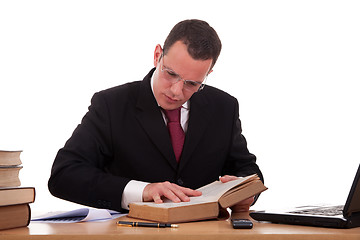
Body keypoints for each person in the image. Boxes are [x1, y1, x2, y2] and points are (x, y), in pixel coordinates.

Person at [48, 19, 263, 213]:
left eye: (192, 84)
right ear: (157, 55)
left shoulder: (224, 107)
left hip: (204, 234)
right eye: (170, 74)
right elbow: (64, 175)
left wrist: (245, 192)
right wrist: (143, 191)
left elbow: (248, 170)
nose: (177, 91)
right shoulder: (111, 105)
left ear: (207, 75)